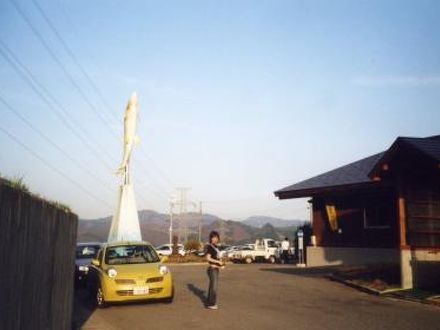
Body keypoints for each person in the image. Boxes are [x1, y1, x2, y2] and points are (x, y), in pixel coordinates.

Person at [205, 230, 225, 310]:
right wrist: (218, 261)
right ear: (211, 238)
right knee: (214, 287)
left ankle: (209, 302)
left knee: (212, 286)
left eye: (216, 237)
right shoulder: (210, 246)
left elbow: (216, 257)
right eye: (213, 237)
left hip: (215, 268)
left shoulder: (216, 247)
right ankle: (211, 304)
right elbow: (208, 258)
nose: (215, 239)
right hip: (212, 269)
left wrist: (221, 263)